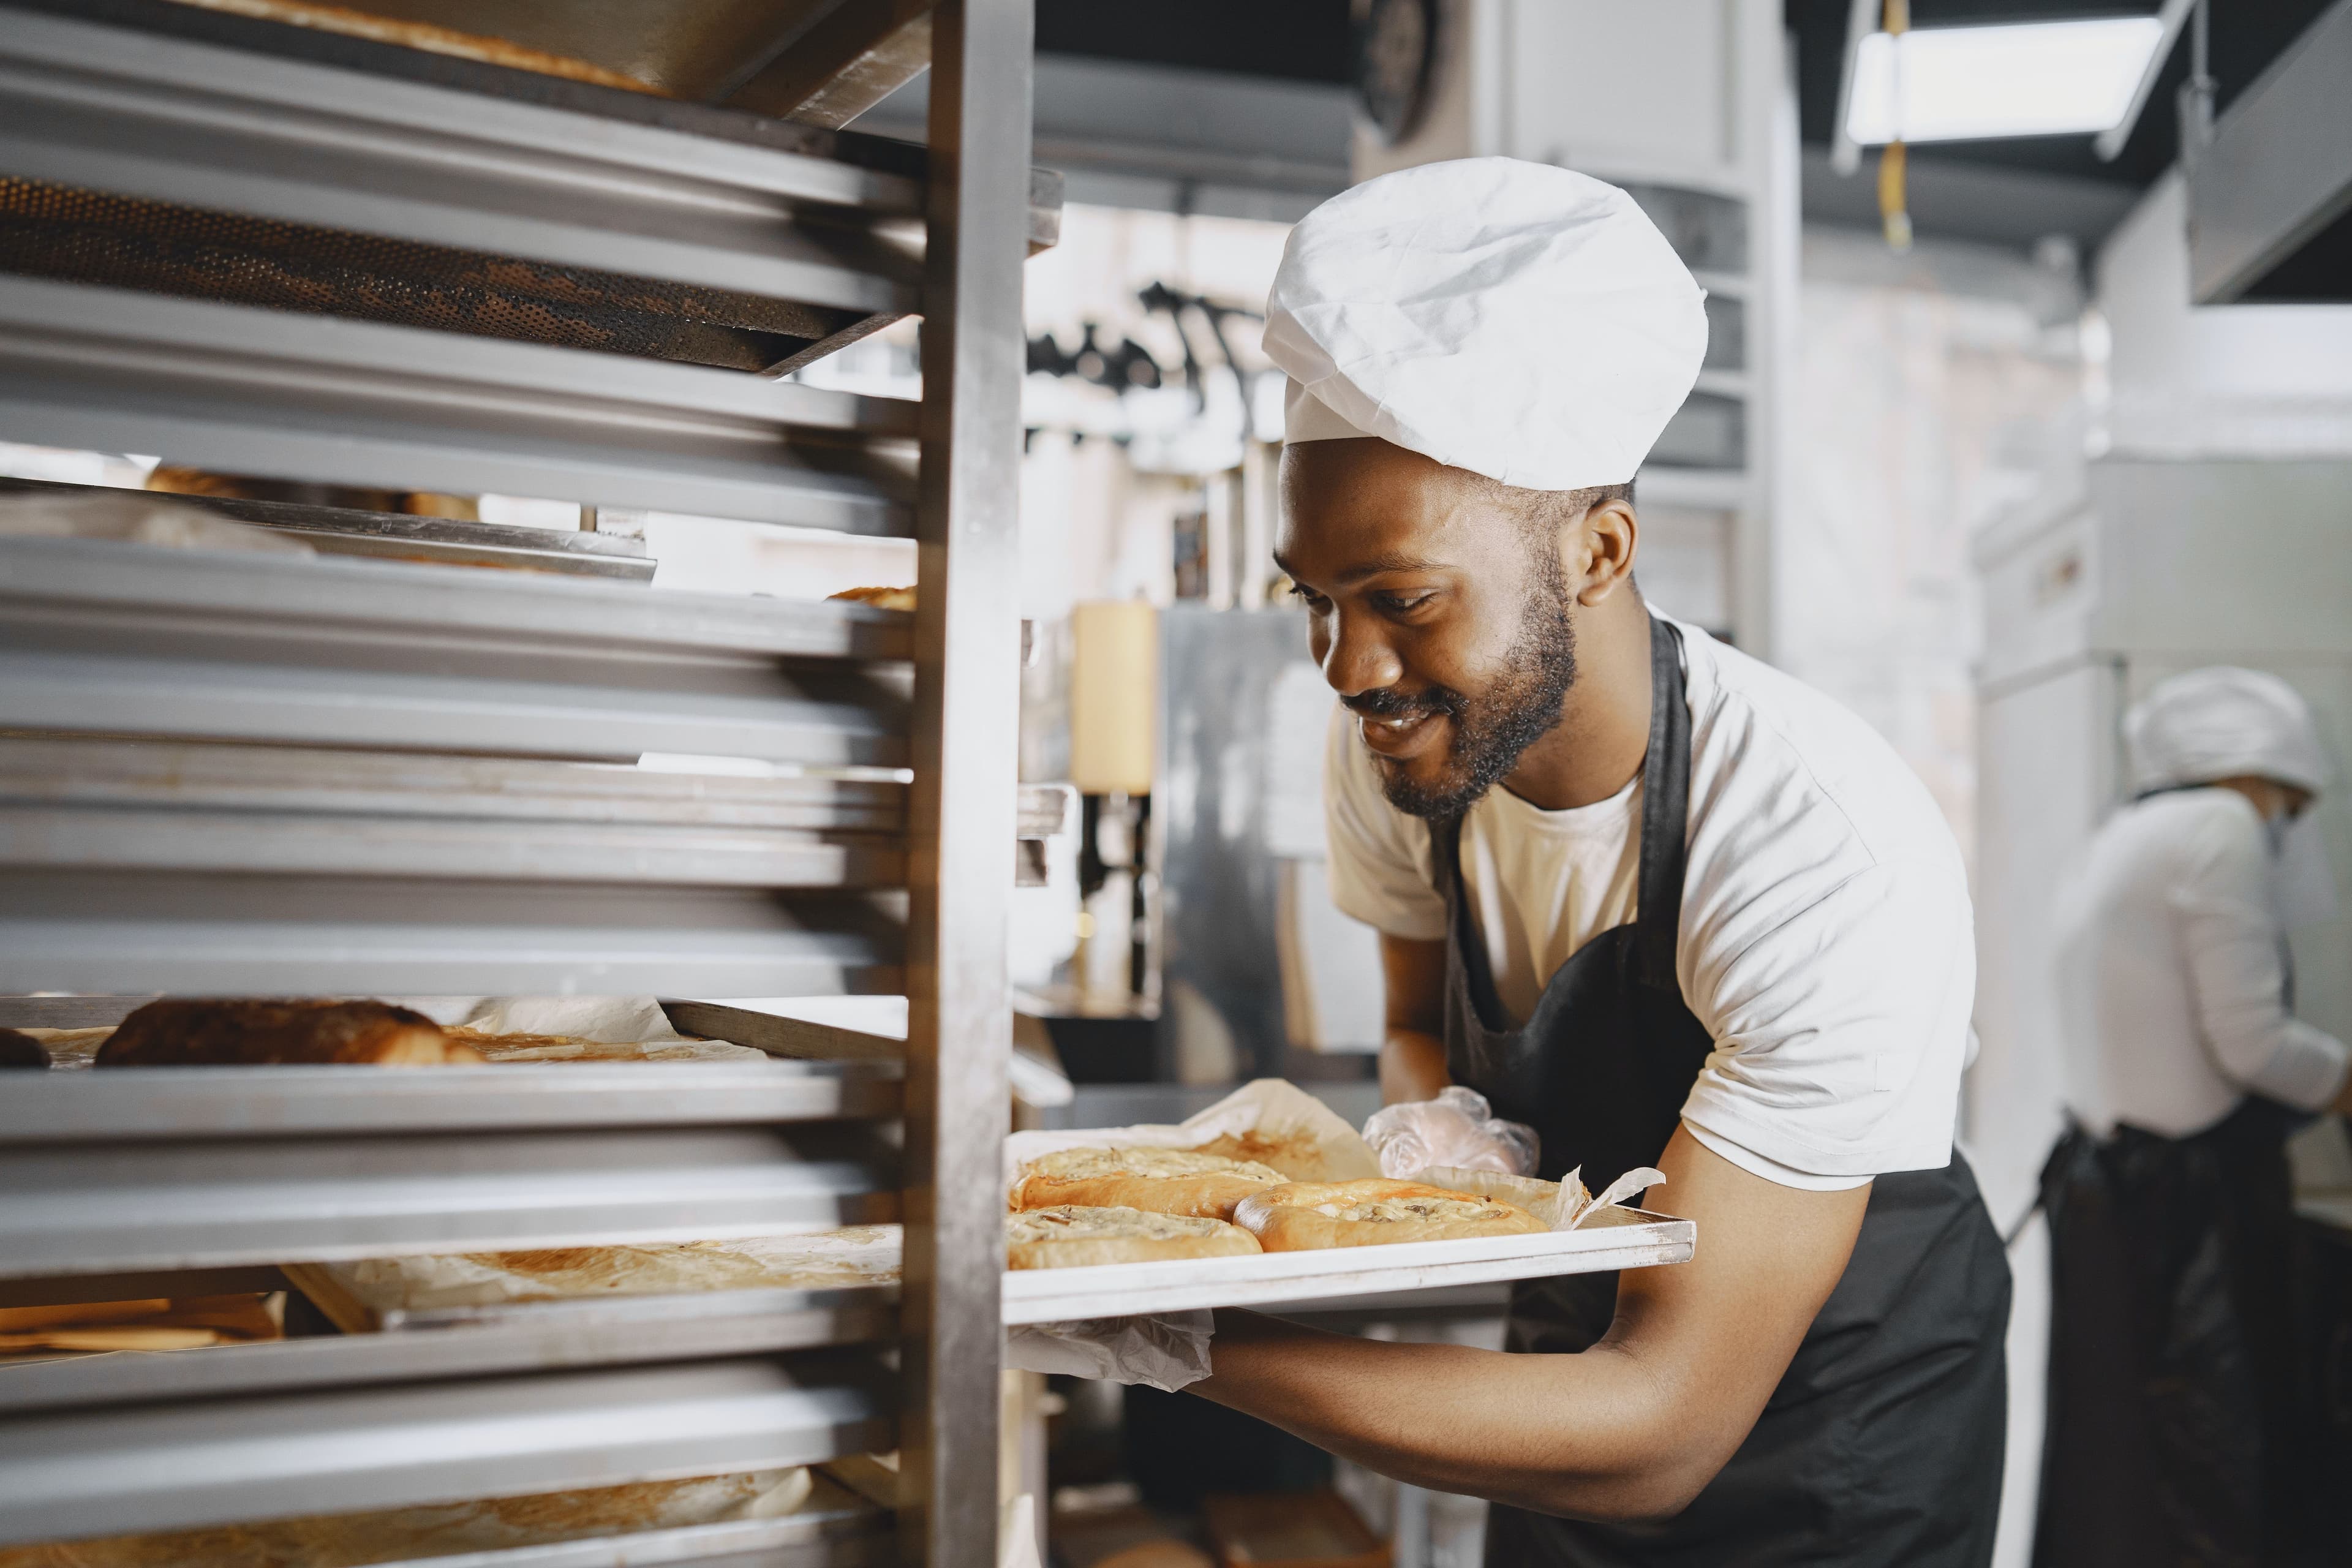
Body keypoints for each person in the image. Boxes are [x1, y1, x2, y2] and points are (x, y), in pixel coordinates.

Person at [1169, 157, 2011, 1566]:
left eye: (1404, 599)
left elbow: (1661, 1427)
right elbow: (1408, 1022)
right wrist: (1440, 1151)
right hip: (1571, 1369)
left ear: (1600, 553)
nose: (1346, 665)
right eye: (1311, 597)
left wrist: (1180, 1335)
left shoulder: (1815, 844)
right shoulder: (1405, 745)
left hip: (1826, 1433)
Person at [2035, 667, 2346, 1568]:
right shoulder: (2220, 828)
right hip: (2189, 1209)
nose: (2289, 827)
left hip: (2110, 1197)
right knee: (2209, 1468)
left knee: (2122, 1460)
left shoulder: (2128, 831)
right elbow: (2251, 1044)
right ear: (2261, 778)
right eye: (2291, 804)